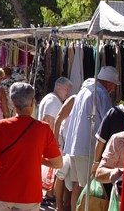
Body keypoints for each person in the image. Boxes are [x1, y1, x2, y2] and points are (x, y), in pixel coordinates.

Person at [0, 82, 63, 210]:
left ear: (13, 103)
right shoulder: (43, 129)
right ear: (32, 103)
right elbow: (58, 163)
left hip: (1, 191)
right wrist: (38, 158)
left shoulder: (0, 127)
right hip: (29, 194)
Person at [62, 66, 119, 210]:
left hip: (75, 146)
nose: (113, 88)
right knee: (86, 186)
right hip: (87, 146)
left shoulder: (85, 90)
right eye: (113, 85)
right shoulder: (100, 93)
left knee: (78, 185)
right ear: (109, 83)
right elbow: (106, 122)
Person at [37, 77, 73, 206]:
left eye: (69, 90)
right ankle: (47, 194)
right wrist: (53, 141)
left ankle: (48, 194)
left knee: (49, 168)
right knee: (50, 167)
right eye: (66, 89)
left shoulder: (51, 98)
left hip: (46, 139)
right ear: (58, 87)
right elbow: (49, 120)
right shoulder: (53, 101)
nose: (68, 92)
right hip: (49, 140)